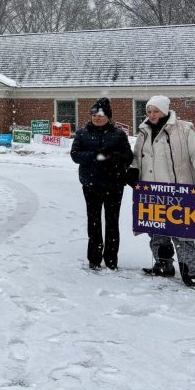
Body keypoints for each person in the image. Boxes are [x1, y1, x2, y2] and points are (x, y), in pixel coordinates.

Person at [126, 95, 195, 287]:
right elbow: (137, 156)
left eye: (156, 111)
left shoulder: (183, 129)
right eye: (149, 111)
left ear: (165, 110)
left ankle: (192, 272)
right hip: (152, 192)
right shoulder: (144, 131)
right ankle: (164, 265)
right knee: (156, 230)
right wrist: (133, 170)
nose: (152, 115)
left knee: (183, 233)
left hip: (178, 191)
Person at [70, 98, 133, 270]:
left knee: (112, 223)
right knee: (94, 221)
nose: (97, 118)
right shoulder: (82, 133)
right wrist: (94, 155)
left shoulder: (118, 134)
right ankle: (94, 258)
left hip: (114, 184)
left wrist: (110, 157)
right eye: (94, 114)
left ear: (108, 117)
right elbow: (75, 155)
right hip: (91, 184)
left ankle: (111, 259)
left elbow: (128, 156)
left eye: (101, 115)